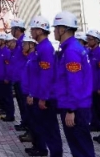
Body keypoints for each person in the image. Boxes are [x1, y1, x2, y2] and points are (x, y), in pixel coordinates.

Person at [52, 11, 95, 157]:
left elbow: (75, 83)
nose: (54, 31)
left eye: (56, 28)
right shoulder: (70, 49)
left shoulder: (71, 51)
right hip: (75, 104)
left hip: (75, 106)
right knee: (79, 146)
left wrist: (71, 110)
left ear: (62, 30)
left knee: (80, 147)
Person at [29, 16, 60, 157]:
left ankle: (56, 154)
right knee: (43, 126)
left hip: (46, 96)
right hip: (39, 93)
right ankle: (43, 149)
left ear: (40, 31)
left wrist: (43, 98)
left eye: (33, 29)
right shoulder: (40, 47)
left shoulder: (46, 48)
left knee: (50, 129)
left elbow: (47, 75)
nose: (31, 32)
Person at [9, 19, 30, 132]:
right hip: (17, 78)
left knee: (24, 104)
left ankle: (27, 125)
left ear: (17, 29)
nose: (11, 31)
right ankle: (24, 122)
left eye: (12, 29)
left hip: (22, 79)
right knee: (21, 104)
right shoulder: (18, 43)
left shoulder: (24, 43)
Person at [20, 37, 40, 148]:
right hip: (26, 91)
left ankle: (38, 146)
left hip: (31, 94)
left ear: (31, 45)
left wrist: (31, 94)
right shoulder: (29, 57)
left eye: (25, 44)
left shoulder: (35, 58)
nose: (23, 46)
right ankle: (33, 140)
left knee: (35, 120)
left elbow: (35, 79)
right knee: (30, 118)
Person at [1, 35, 17, 123]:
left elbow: (9, 67)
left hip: (9, 79)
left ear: (13, 41)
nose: (7, 44)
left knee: (8, 97)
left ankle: (10, 115)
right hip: (7, 77)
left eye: (9, 42)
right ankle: (9, 114)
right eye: (6, 42)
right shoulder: (11, 52)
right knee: (6, 97)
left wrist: (7, 77)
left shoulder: (9, 52)